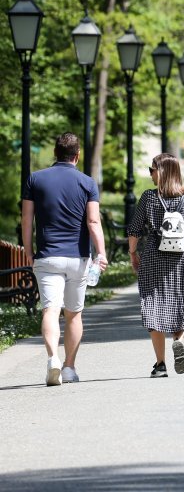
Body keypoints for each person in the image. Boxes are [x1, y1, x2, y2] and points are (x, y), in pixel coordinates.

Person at [21, 132, 107, 386]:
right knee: (74, 315)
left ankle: (52, 359)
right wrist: (100, 253)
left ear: (55, 153)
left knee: (50, 310)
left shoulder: (35, 179)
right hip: (78, 258)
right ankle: (69, 367)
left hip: (47, 257)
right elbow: (93, 221)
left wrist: (28, 251)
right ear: (77, 156)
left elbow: (27, 220)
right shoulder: (87, 183)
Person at [128, 154, 184, 378]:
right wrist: (182, 249)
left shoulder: (149, 198)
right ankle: (178, 341)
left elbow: (134, 229)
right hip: (181, 258)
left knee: (152, 305)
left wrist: (133, 253)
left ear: (162, 172)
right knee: (180, 302)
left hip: (153, 255)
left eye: (152, 169)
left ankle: (160, 364)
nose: (150, 173)